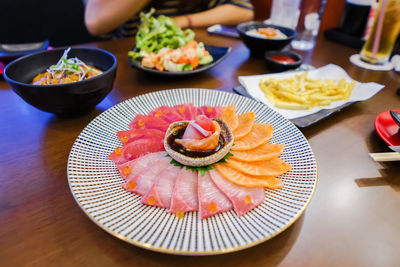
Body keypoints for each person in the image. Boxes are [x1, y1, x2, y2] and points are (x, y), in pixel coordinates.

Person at [84, 0, 254, 37]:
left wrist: (183, 21)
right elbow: (95, 23)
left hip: (194, 70)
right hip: (131, 65)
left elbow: (243, 10)